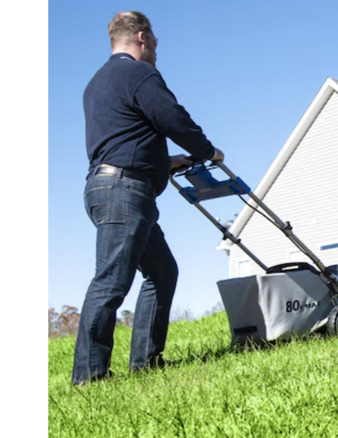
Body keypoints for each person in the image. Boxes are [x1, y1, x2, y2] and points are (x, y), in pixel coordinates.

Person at [72, 11, 224, 385]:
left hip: (108, 185)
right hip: (125, 191)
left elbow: (124, 137)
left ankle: (146, 363)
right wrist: (207, 151)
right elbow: (172, 117)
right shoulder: (138, 73)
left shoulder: (96, 83)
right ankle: (89, 378)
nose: (157, 46)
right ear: (142, 37)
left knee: (162, 272)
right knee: (111, 281)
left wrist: (165, 162)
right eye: (154, 39)